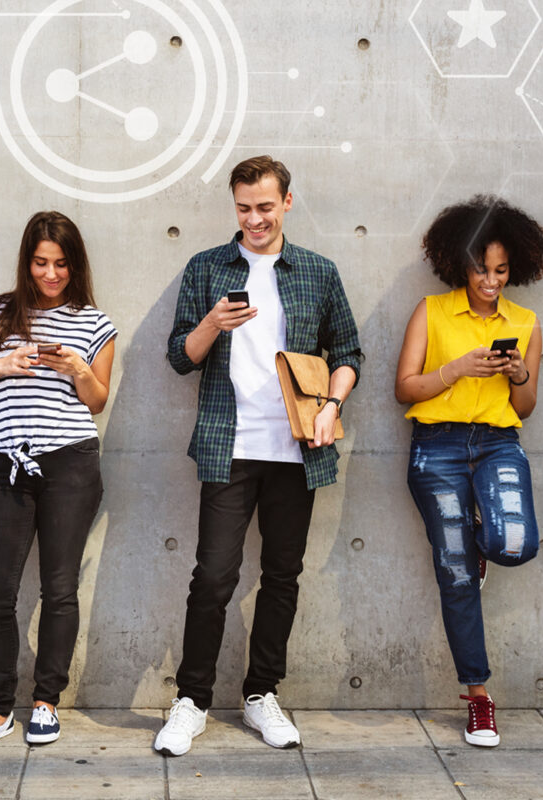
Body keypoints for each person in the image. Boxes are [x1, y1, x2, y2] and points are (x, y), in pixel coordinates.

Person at [155, 155, 361, 756]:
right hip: (229, 446)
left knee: (281, 576)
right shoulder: (207, 268)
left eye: (265, 207)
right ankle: (191, 701)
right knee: (213, 577)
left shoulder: (318, 273)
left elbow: (349, 352)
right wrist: (212, 324)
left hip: (297, 449)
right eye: (244, 208)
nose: (254, 219)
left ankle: (260, 695)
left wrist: (330, 405)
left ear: (287, 203)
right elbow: (178, 357)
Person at [394, 195, 543, 747]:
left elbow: (525, 406)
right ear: (460, 263)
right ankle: (479, 697)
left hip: (498, 444)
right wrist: (457, 370)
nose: (491, 280)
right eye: (482, 268)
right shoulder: (431, 312)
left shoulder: (525, 322)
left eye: (502, 270)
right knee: (456, 573)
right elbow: (404, 389)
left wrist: (517, 372)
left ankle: (484, 545)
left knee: (515, 543)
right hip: (436, 448)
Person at [0, 211, 116, 745]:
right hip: (5, 463)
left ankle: (46, 701)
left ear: (75, 264)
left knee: (59, 589)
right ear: (26, 262)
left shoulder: (94, 322)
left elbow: (97, 401)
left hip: (70, 463)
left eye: (61, 264)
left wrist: (78, 370)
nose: (51, 274)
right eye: (41, 263)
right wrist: (2, 365)